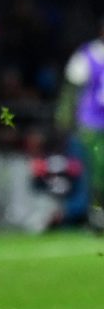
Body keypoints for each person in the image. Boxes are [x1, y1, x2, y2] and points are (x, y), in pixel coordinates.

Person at [56, 16, 104, 231]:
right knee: (94, 169)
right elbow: (71, 88)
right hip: (92, 123)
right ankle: (92, 214)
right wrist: (65, 116)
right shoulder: (87, 54)